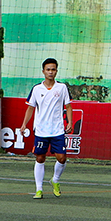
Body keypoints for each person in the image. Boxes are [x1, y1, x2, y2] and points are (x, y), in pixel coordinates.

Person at [19, 58, 75, 199]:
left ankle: (55, 180)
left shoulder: (62, 88)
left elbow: (68, 106)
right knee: (40, 157)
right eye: (48, 69)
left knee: (62, 158)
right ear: (43, 71)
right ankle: (39, 189)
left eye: (53, 69)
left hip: (57, 129)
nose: (51, 72)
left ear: (56, 71)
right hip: (41, 130)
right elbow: (30, 108)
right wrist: (24, 123)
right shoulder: (37, 89)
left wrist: (69, 122)